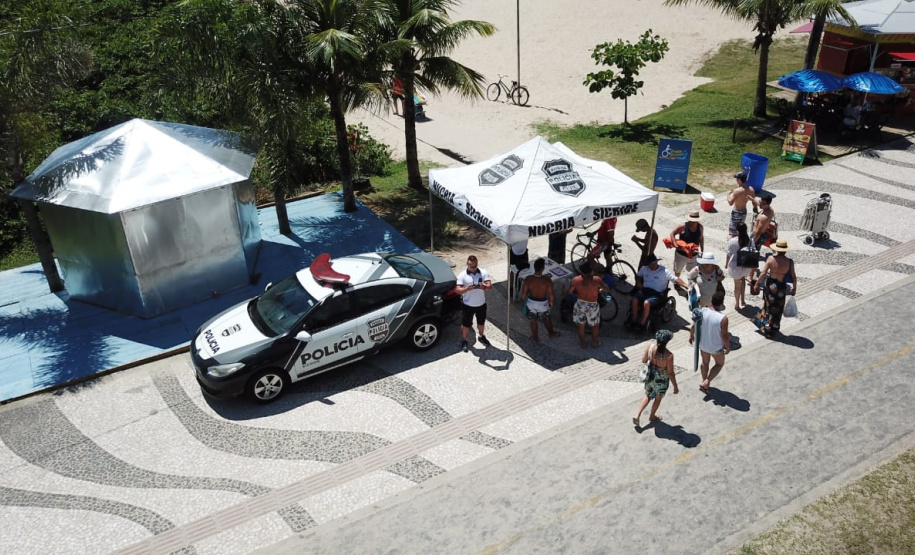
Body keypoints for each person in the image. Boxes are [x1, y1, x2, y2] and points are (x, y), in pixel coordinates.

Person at [628, 254, 687, 330]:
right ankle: (634, 319)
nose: (653, 265)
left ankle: (642, 323)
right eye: (651, 264)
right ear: (648, 264)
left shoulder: (664, 271)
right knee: (634, 300)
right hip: (645, 291)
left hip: (657, 294)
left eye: (655, 263)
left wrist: (686, 285)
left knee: (646, 303)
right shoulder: (644, 269)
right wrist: (638, 282)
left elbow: (676, 279)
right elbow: (638, 276)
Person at [752, 239, 796, 339]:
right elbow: (793, 276)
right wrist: (794, 288)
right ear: (785, 250)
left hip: (771, 285)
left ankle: (766, 328)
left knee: (768, 306)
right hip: (781, 287)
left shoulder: (771, 259)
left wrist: (757, 283)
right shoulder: (789, 262)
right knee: (778, 309)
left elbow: (763, 273)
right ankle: (774, 328)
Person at [633, 329, 677, 428]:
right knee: (657, 399)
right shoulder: (669, 355)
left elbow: (644, 360)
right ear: (667, 341)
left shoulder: (650, 347)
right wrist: (675, 386)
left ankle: (637, 415)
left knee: (648, 395)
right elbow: (670, 372)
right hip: (661, 380)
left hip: (650, 376)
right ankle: (652, 416)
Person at [690, 288, 729, 395]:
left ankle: (704, 383)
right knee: (719, 364)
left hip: (703, 344)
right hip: (716, 347)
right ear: (722, 303)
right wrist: (728, 346)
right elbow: (724, 335)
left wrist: (691, 336)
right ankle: (707, 381)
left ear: (711, 300)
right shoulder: (723, 318)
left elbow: (694, 325)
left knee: (705, 362)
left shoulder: (702, 311)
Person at [569, 261, 610, 348]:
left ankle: (583, 343)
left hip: (580, 304)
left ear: (581, 271)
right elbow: (606, 289)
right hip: (592, 305)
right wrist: (600, 291)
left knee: (581, 325)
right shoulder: (597, 280)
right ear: (591, 270)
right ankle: (594, 342)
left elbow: (570, 291)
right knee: (595, 325)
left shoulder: (575, 280)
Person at [456, 255, 492, 352]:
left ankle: (481, 336)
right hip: (468, 305)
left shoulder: (483, 272)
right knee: (466, 324)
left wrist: (484, 286)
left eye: (474, 266)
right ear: (467, 265)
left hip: (481, 304)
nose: (473, 269)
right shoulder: (462, 275)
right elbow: (458, 290)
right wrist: (466, 289)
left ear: (477, 264)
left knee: (481, 322)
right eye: (471, 267)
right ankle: (464, 340)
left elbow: (490, 286)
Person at [520, 258, 561, 343]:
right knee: (546, 319)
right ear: (542, 268)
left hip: (531, 302)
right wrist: (551, 302)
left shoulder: (528, 279)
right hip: (542, 303)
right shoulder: (547, 280)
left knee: (533, 321)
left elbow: (523, 294)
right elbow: (551, 294)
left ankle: (535, 337)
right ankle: (551, 333)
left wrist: (525, 302)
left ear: (534, 267)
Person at [725, 222, 753, 310]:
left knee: (736, 285)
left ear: (737, 230)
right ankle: (743, 300)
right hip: (746, 266)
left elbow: (729, 254)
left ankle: (737, 304)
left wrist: (726, 264)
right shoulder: (749, 241)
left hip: (735, 266)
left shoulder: (733, 241)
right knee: (743, 280)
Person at [669, 210, 704, 277]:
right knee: (677, 270)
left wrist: (702, 250)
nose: (693, 222)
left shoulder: (700, 227)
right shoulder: (683, 226)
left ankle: (692, 284)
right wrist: (675, 245)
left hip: (694, 254)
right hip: (681, 254)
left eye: (695, 221)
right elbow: (672, 234)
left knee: (693, 272)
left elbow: (701, 238)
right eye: (692, 220)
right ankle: (677, 282)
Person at [726, 172, 756, 238]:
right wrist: (755, 210)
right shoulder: (751, 189)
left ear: (739, 180)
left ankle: (732, 245)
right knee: (740, 229)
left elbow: (730, 202)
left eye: (737, 179)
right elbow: (754, 201)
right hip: (744, 211)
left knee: (732, 232)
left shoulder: (737, 191)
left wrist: (728, 194)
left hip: (736, 212)